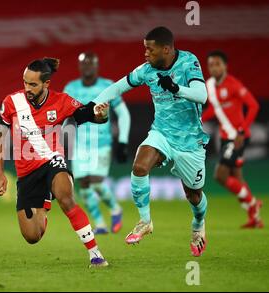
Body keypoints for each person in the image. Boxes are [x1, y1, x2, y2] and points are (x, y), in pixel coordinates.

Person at [92, 26, 210, 257]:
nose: (146, 54)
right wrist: (93, 105)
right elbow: (119, 86)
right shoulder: (147, 71)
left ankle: (198, 224)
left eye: (150, 50)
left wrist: (177, 88)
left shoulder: (188, 62)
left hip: (189, 141)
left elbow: (202, 95)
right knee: (139, 166)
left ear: (166, 49)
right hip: (161, 134)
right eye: (144, 49)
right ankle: (145, 221)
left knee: (194, 196)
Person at [0, 57, 110, 267]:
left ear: (46, 83)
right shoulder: (12, 103)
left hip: (53, 161)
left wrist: (101, 115)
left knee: (66, 198)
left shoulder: (61, 101)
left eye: (33, 84)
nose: (27, 88)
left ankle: (95, 253)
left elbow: (88, 114)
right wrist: (0, 173)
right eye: (25, 82)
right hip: (26, 173)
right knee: (32, 236)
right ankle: (44, 203)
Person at [63, 52, 131, 234]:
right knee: (84, 185)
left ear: (97, 66)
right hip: (80, 145)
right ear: (79, 66)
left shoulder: (107, 86)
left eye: (91, 64)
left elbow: (123, 113)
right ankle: (100, 223)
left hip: (102, 143)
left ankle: (115, 209)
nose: (87, 67)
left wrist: (123, 141)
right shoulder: (71, 88)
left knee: (97, 183)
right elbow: (63, 115)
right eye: (84, 64)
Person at [202, 50, 262, 228]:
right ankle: (254, 218)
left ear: (225, 66)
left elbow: (253, 105)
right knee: (237, 177)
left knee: (220, 175)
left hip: (237, 138)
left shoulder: (234, 84)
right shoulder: (210, 85)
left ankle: (252, 202)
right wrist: (201, 119)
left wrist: (242, 131)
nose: (214, 68)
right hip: (225, 137)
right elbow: (215, 109)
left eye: (217, 64)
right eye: (211, 65)